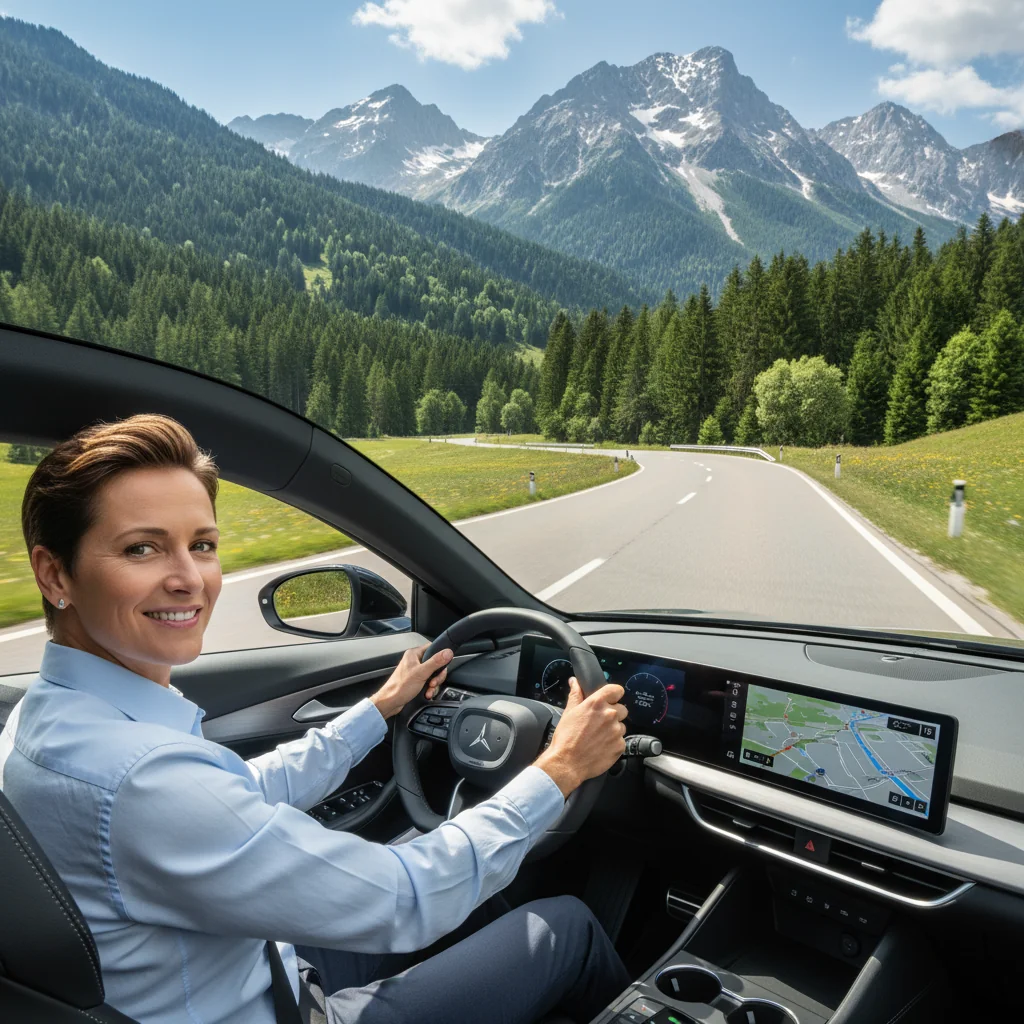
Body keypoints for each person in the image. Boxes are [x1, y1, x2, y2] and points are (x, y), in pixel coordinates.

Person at [0, 414, 631, 1024]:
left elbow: (232, 797)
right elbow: (407, 898)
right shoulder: (136, 779)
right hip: (279, 1007)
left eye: (203, 545)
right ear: (55, 573)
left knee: (457, 867)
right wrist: (560, 769)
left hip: (241, 965)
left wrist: (379, 711)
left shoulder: (46, 720)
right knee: (563, 929)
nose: (189, 579)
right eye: (142, 549)